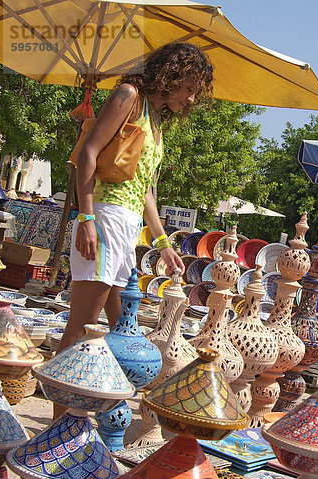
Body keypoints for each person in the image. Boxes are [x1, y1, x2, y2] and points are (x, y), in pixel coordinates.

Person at [53, 43, 213, 419]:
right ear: (172, 74)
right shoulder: (129, 95)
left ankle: (88, 417)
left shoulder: (154, 120)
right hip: (104, 217)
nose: (191, 97)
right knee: (81, 331)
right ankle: (57, 427)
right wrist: (86, 217)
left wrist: (162, 243)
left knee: (116, 334)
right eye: (189, 86)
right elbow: (88, 153)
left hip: (125, 226)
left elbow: (145, 191)